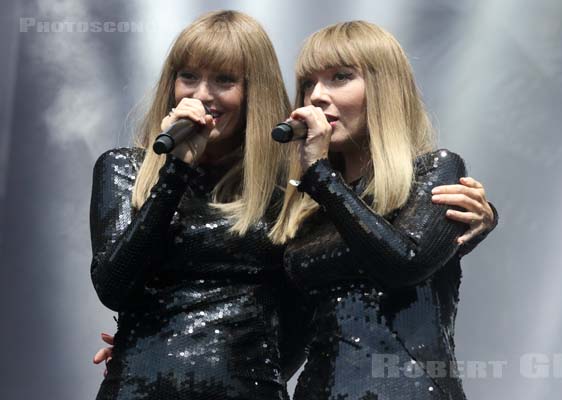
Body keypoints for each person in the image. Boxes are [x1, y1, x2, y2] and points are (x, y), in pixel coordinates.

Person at [268, 21, 498, 399]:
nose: (317, 96)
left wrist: (321, 175)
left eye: (340, 77)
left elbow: (403, 263)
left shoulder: (433, 171)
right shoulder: (308, 205)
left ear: (383, 87)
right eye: (308, 83)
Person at [90, 10, 294, 399]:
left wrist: (218, 369)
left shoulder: (283, 189)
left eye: (223, 80)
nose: (201, 95)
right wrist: (174, 173)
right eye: (188, 76)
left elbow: (303, 316)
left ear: (255, 91)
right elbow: (114, 287)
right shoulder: (124, 169)